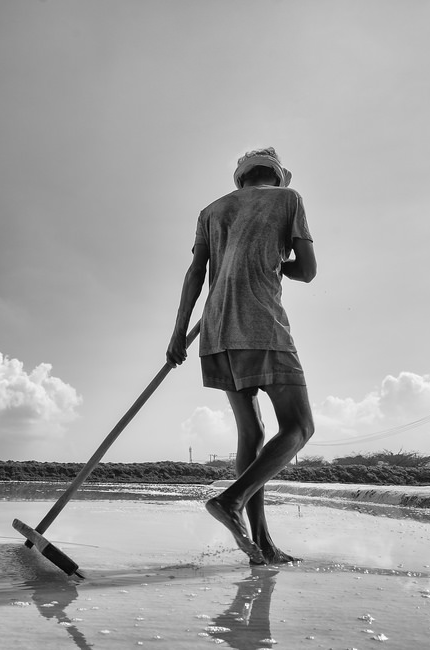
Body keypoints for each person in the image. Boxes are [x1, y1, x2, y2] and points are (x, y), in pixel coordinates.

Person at [166, 147, 316, 565]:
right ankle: (230, 501)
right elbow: (307, 270)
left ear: (243, 177)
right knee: (300, 427)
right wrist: (277, 260)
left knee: (252, 434)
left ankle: (262, 545)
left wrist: (178, 333)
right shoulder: (289, 199)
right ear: (276, 175)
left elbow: (196, 272)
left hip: (214, 333)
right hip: (261, 325)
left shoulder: (211, 210)